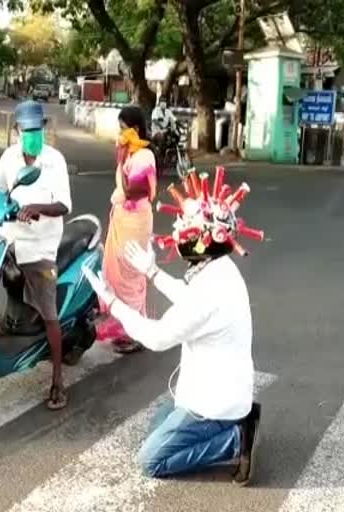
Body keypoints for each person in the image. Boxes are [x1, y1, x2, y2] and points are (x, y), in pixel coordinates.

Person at [83, 167, 263, 485]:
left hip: (213, 406)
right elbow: (189, 298)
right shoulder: (221, 269)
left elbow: (156, 337)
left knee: (151, 459)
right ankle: (233, 425)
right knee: (158, 426)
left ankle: (236, 438)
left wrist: (113, 305)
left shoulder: (209, 291)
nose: (177, 232)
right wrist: (151, 271)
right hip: (218, 393)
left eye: (185, 229)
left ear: (202, 241)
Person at [0, 100, 72, 410]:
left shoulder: (55, 160)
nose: (33, 135)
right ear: (17, 131)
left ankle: (58, 380)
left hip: (41, 244)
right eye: (27, 130)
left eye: (37, 130)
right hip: (10, 236)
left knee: (50, 314)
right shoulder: (9, 157)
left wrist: (37, 208)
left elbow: (64, 205)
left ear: (43, 129)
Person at [97, 106, 157, 353]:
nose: (120, 134)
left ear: (136, 130)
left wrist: (122, 160)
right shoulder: (131, 154)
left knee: (130, 272)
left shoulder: (144, 156)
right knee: (116, 272)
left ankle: (135, 333)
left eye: (123, 129)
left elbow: (134, 190)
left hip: (135, 221)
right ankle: (124, 326)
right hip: (122, 218)